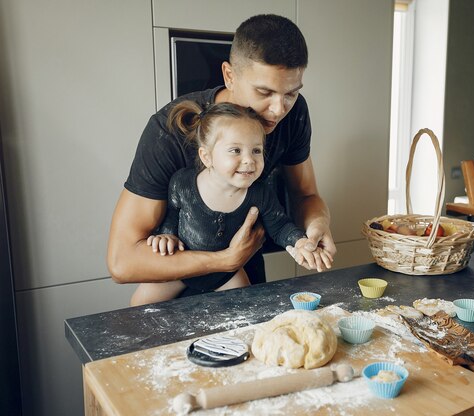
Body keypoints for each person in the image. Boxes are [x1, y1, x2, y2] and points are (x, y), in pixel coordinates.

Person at [107, 14, 336, 296]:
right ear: (229, 75)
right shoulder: (167, 132)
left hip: (241, 277)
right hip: (173, 283)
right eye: (264, 92)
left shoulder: (294, 112)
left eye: (290, 93)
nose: (278, 109)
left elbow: (305, 195)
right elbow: (122, 262)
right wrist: (225, 259)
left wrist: (317, 225)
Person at [130, 103, 333, 306]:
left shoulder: (260, 193)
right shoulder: (182, 183)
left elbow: (280, 226)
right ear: (207, 156)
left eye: (256, 150)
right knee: (137, 306)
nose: (249, 160)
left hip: (228, 274)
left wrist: (300, 242)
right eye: (235, 150)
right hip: (181, 268)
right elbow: (172, 213)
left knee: (247, 313)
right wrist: (167, 235)